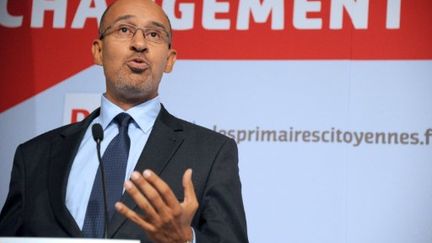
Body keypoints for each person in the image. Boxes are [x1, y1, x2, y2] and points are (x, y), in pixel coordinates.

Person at [0, 0, 248, 242]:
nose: (139, 43)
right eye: (124, 30)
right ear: (98, 51)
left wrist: (185, 240)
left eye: (154, 34)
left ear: (170, 60)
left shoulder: (211, 152)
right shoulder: (34, 155)